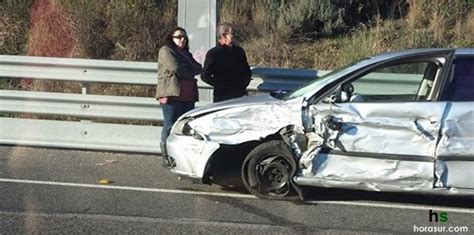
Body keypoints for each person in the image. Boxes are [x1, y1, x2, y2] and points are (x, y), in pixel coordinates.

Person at [156, 27, 202, 167]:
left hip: (188, 95)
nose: (182, 39)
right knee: (170, 125)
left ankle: (180, 155)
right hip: (172, 94)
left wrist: (187, 68)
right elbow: (175, 67)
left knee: (184, 126)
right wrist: (188, 70)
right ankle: (166, 155)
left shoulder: (186, 53)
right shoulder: (166, 50)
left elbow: (198, 68)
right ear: (171, 38)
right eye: (178, 36)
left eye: (184, 37)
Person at [201, 23, 251, 102]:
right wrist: (220, 85)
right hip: (222, 96)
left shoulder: (239, 51)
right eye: (231, 33)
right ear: (223, 35)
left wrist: (243, 85)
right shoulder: (214, 53)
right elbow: (205, 75)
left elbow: (247, 71)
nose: (234, 35)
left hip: (239, 93)